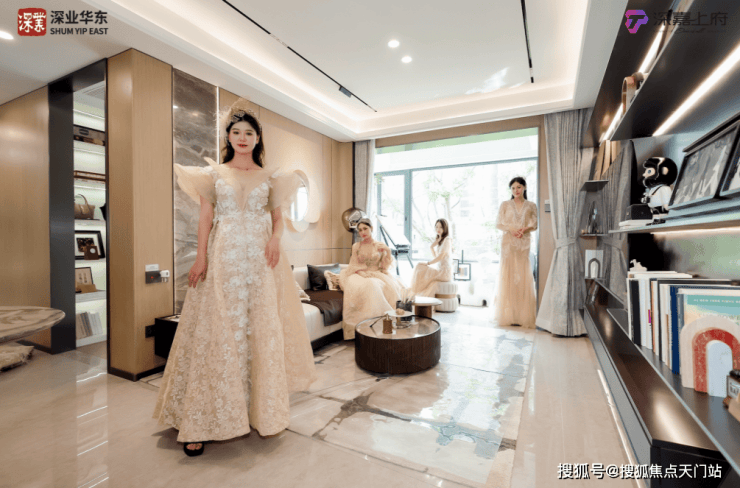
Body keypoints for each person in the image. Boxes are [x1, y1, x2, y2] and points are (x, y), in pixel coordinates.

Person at [153, 100, 317, 456]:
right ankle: (199, 421)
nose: (242, 138)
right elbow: (205, 219)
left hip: (260, 262)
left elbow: (278, 219)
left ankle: (259, 412)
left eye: (249, 133)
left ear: (258, 139)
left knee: (258, 331)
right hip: (223, 259)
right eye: (236, 132)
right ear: (228, 137)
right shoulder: (213, 174)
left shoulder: (271, 178)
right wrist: (200, 257)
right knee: (217, 331)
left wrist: (275, 239)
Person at [338, 218, 405, 339]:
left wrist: (388, 251)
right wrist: (361, 272)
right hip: (359, 273)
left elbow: (384, 267)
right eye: (360, 230)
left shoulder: (379, 245)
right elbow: (353, 264)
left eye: (365, 228)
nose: (362, 232)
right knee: (366, 285)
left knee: (379, 286)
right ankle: (364, 327)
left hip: (377, 273)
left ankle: (381, 324)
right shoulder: (356, 246)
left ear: (371, 228)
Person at [493, 177, 538, 327]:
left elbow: (535, 224)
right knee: (509, 275)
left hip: (523, 243)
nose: (516, 190)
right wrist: (511, 229)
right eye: (513, 188)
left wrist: (524, 229)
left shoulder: (531, 205)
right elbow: (498, 223)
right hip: (508, 244)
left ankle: (521, 316)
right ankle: (508, 315)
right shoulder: (505, 204)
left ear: (524, 187)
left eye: (518, 187)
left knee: (523, 275)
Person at [410, 219, 453, 297]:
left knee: (420, 267)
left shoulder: (447, 240)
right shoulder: (441, 240)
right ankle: (414, 293)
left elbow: (441, 256)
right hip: (440, 271)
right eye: (436, 227)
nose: (438, 229)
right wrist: (432, 247)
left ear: (445, 228)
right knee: (419, 266)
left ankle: (414, 293)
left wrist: (427, 263)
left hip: (444, 273)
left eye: (441, 227)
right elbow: (436, 257)